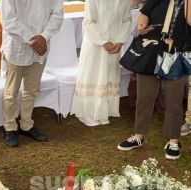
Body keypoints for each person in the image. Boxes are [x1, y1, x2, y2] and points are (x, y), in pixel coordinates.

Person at [117, 0, 191, 160]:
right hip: (152, 50)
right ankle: (138, 136)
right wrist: (142, 22)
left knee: (174, 99)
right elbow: (145, 12)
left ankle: (173, 141)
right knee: (144, 97)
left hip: (177, 54)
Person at [0, 0, 63, 147]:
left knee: (32, 90)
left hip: (41, 47)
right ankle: (9, 127)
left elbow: (58, 14)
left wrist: (44, 36)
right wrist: (33, 40)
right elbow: (8, 19)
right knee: (11, 92)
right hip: (18, 47)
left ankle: (26, 125)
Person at [70, 0, 132, 126]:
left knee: (108, 75)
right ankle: (86, 113)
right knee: (93, 75)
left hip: (115, 43)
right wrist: (104, 41)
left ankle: (103, 111)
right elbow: (89, 21)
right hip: (95, 43)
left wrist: (120, 41)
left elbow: (126, 20)